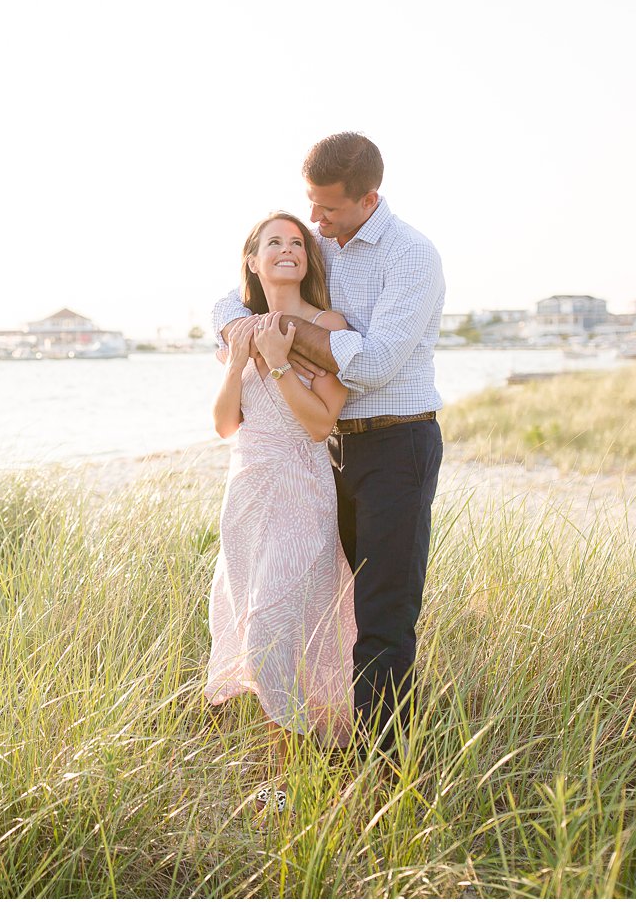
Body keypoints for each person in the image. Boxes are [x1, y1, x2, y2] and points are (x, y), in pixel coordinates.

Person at [213, 132, 445, 762]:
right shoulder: (322, 248)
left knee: (382, 614)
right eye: (309, 205)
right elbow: (233, 299)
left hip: (396, 445)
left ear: (369, 198)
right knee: (326, 609)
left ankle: (384, 766)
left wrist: (274, 337)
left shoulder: (410, 257)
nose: (313, 222)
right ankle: (325, 745)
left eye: (328, 209)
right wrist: (242, 329)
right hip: (322, 457)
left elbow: (369, 364)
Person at [205, 212, 357, 814]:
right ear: (252, 259)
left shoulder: (331, 326)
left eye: (298, 243)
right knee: (257, 629)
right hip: (245, 491)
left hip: (302, 486)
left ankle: (290, 781)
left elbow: (321, 424)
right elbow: (223, 423)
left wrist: (280, 360)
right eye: (275, 242)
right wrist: (243, 358)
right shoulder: (235, 329)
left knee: (272, 630)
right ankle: (286, 780)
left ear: (308, 259)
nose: (288, 250)